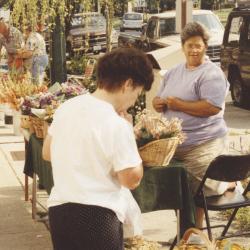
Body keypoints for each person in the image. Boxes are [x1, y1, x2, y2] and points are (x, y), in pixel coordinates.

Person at [42, 47, 154, 250]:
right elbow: (131, 179)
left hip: (60, 211)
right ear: (128, 85)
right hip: (98, 215)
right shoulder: (117, 124)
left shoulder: (68, 107)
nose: (134, 101)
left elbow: (47, 152)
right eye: (138, 93)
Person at [152, 22, 234, 229]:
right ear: (183, 47)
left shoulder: (211, 73)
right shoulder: (173, 72)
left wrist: (178, 104)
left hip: (204, 142)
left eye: (198, 45)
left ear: (205, 46)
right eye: (190, 45)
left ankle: (194, 230)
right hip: (174, 146)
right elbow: (157, 99)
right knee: (173, 188)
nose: (194, 50)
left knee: (195, 190)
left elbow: (212, 108)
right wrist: (158, 103)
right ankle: (186, 229)